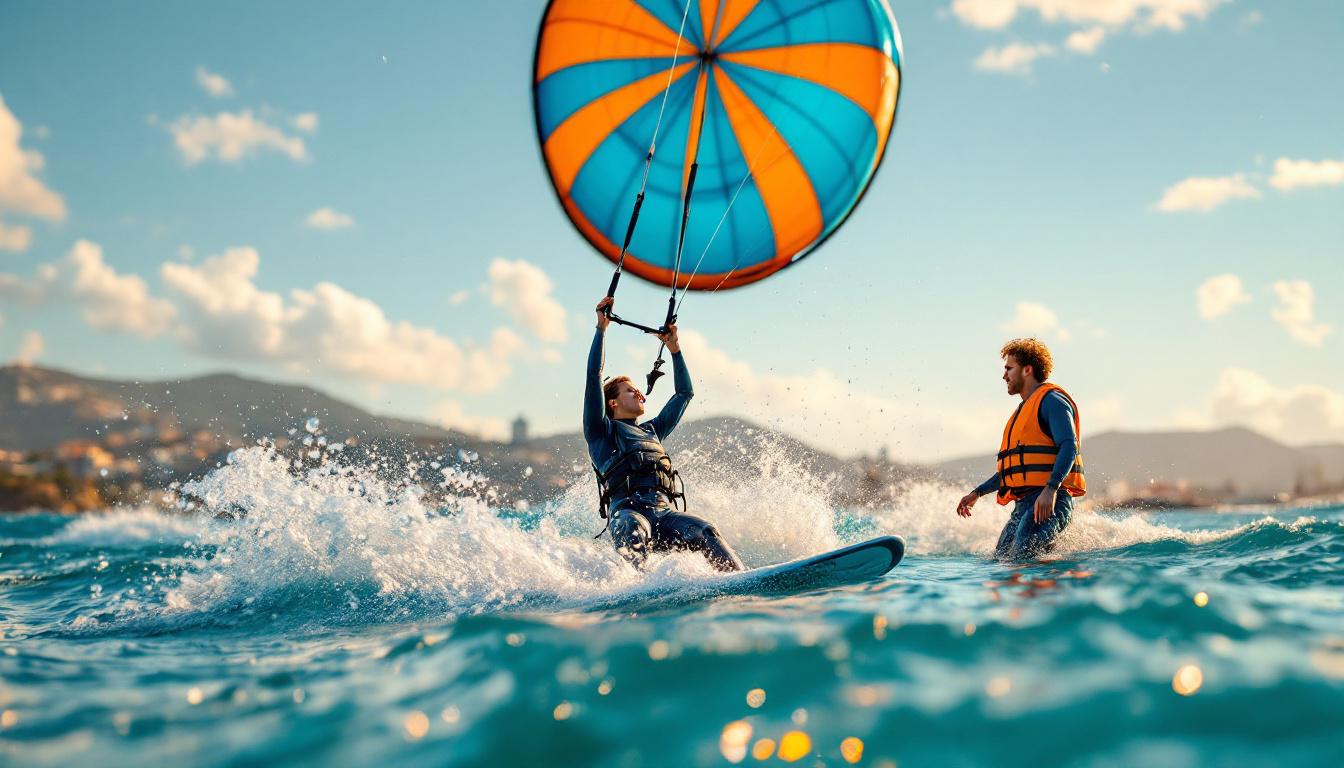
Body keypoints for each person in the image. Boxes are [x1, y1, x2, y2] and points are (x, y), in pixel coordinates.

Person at [584, 297, 744, 572]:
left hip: (664, 515)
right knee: (631, 529)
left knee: (706, 530)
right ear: (613, 402)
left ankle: (741, 581)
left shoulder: (652, 431)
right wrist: (601, 329)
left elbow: (684, 394)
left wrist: (675, 349)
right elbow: (593, 376)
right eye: (630, 391)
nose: (639, 393)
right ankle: (633, 593)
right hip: (629, 514)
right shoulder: (602, 431)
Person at [955, 338, 1086, 560]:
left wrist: (1051, 489)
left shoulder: (1052, 401)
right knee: (1000, 559)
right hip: (1023, 505)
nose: (1004, 376)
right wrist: (977, 493)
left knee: (1021, 556)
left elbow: (1068, 445)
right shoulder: (1023, 411)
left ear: (1027, 369)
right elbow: (1013, 470)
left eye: (1009, 368)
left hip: (1049, 500)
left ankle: (1045, 593)